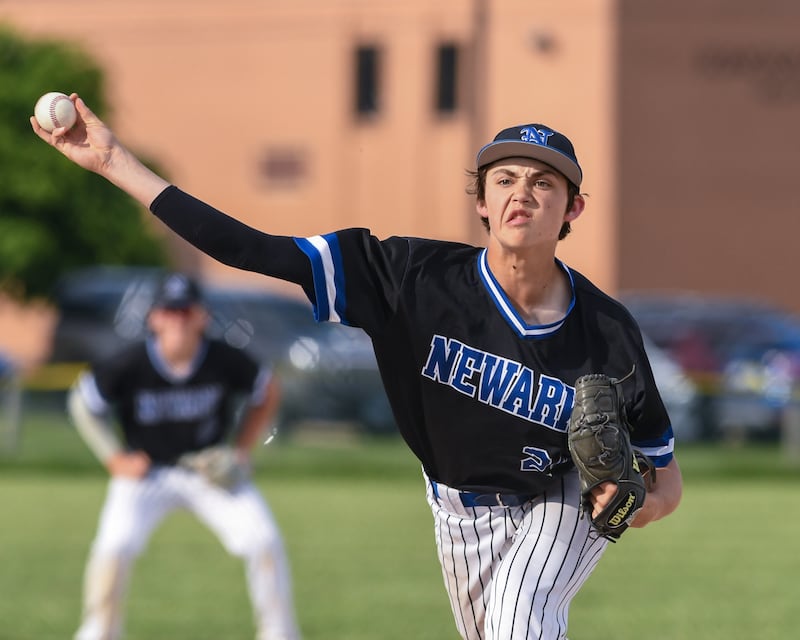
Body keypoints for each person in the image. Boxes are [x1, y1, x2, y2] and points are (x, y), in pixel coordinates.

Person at [34, 97, 682, 640]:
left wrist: (634, 503)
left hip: (557, 500)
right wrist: (115, 162)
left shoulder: (608, 333)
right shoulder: (407, 278)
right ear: (481, 201)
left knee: (520, 624)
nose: (523, 194)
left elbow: (665, 483)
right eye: (506, 178)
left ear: (573, 209)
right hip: (457, 509)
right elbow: (250, 248)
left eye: (545, 183)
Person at [65, 271, 301, 640]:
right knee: (115, 545)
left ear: (202, 316)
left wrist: (240, 449)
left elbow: (267, 390)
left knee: (263, 540)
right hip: (148, 473)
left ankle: (280, 635)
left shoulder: (222, 359)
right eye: (170, 311)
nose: (178, 319)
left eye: (186, 311)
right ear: (154, 318)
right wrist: (114, 458)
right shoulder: (131, 363)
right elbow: (83, 402)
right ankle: (98, 633)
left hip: (208, 471)